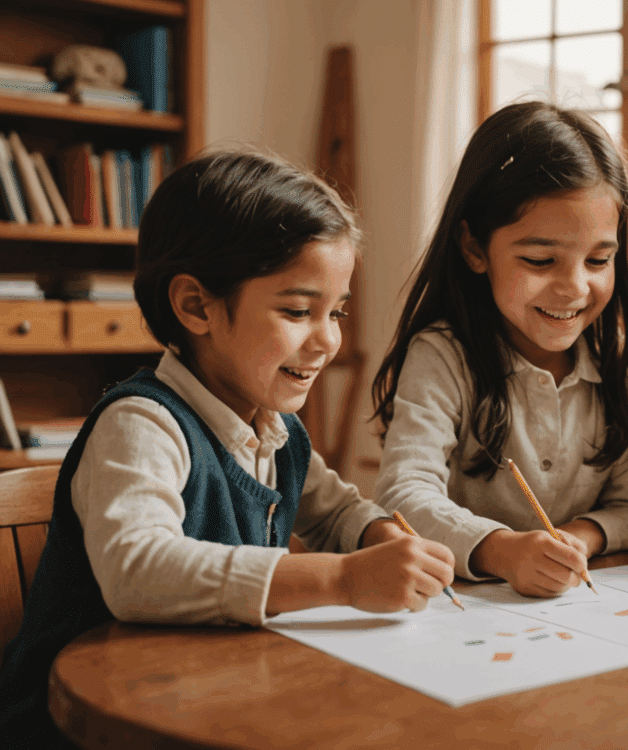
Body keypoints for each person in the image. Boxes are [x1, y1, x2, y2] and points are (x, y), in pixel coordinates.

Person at [0, 150, 457, 748]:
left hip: (199, 699)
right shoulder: (142, 425)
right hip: (79, 724)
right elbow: (138, 571)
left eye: (336, 311)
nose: (327, 340)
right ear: (196, 306)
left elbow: (338, 510)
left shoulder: (277, 430)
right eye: (298, 310)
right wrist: (342, 579)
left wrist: (379, 538)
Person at [372, 102, 628, 599]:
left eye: (598, 259)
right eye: (540, 259)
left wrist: (575, 540)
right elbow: (403, 496)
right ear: (475, 248)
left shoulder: (627, 370)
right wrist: (501, 551)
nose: (574, 288)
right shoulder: (443, 357)